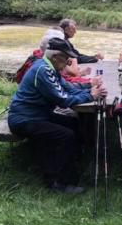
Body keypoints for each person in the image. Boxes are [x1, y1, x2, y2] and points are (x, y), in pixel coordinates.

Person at [8, 38, 107, 194]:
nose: (69, 61)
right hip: (25, 119)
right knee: (65, 136)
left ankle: (73, 165)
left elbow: (68, 88)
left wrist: (89, 87)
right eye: (66, 57)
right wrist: (91, 96)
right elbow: (63, 99)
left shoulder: (49, 67)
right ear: (55, 57)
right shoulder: (43, 70)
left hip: (39, 115)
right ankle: (57, 182)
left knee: (73, 123)